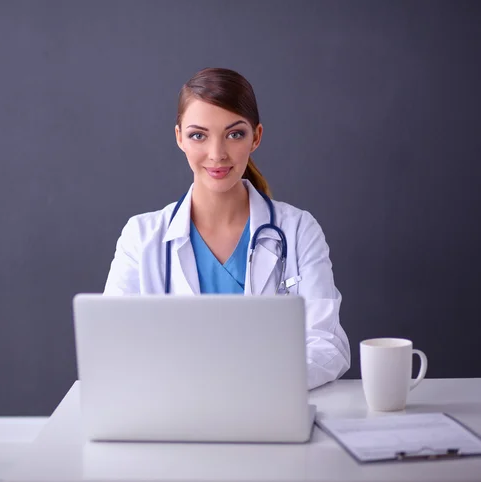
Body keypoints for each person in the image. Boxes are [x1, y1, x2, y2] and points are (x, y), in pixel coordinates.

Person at [103, 67, 350, 389]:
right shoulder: (141, 236)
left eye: (234, 134)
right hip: (175, 414)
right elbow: (112, 346)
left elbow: (327, 345)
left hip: (269, 407)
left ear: (256, 137)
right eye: (198, 135)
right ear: (179, 138)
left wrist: (251, 385)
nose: (217, 154)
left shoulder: (298, 230)